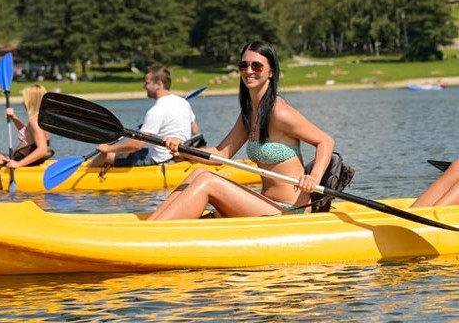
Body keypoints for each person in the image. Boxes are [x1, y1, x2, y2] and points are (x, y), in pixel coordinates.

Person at [148, 40, 334, 220]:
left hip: (290, 211)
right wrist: (182, 149)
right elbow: (220, 154)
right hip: (266, 203)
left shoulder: (279, 112)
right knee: (197, 174)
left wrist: (314, 177)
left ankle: (152, 233)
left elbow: (325, 141)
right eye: (243, 65)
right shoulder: (250, 113)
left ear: (271, 72)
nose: (249, 71)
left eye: (257, 66)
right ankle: (152, 225)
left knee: (208, 181)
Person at [89, 64, 199, 168]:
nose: (144, 86)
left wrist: (108, 148)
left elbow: (136, 145)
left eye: (147, 82)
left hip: (159, 159)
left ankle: (87, 175)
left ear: (159, 84)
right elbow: (194, 129)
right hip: (179, 155)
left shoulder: (156, 110)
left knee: (105, 156)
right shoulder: (183, 102)